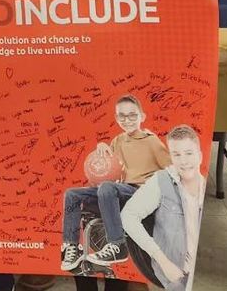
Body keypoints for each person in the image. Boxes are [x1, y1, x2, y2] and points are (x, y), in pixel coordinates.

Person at [9, 0, 217, 291]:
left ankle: (126, 273)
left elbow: (160, 28)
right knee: (83, 203)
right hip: (71, 112)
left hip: (120, 109)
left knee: (122, 201)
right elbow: (33, 39)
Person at [58, 95, 170, 291]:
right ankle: (71, 246)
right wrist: (103, 147)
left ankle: (117, 244)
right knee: (72, 194)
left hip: (139, 192)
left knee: (107, 188)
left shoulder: (151, 141)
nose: (127, 120)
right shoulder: (117, 141)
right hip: (117, 189)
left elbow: (171, 170)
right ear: (117, 118)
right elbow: (110, 169)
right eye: (122, 116)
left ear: (142, 116)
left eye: (132, 115)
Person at [120, 126, 206, 291]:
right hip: (174, 275)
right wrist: (163, 262)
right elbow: (128, 216)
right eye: (176, 155)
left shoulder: (205, 188)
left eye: (189, 153)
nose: (184, 161)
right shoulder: (162, 180)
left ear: (200, 156)